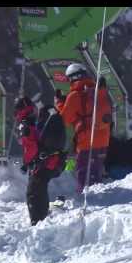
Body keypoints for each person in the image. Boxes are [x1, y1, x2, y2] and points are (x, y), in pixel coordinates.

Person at [55, 64, 112, 193]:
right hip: (103, 140)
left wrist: (59, 104)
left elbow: (65, 120)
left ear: (72, 78)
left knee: (84, 175)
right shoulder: (98, 91)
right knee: (96, 172)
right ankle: (99, 197)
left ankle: (88, 200)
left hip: (87, 142)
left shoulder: (74, 96)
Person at [14, 96, 67, 226]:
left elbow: (31, 147)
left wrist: (27, 163)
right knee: (40, 187)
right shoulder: (38, 119)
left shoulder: (26, 124)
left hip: (43, 162)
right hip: (54, 160)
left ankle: (37, 221)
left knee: (33, 192)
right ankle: (43, 215)